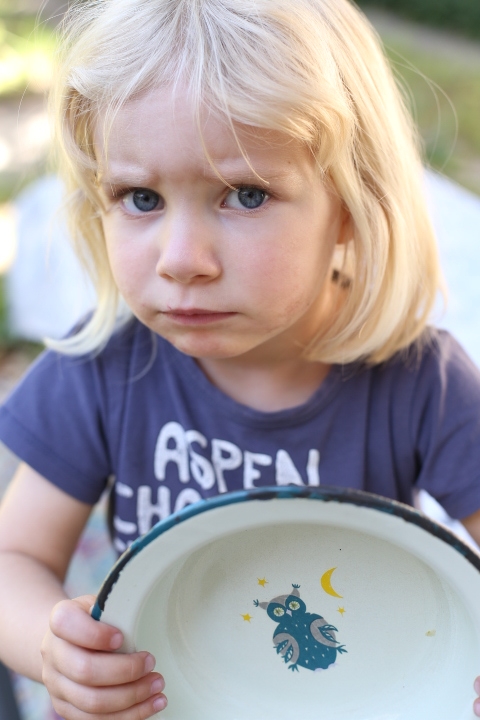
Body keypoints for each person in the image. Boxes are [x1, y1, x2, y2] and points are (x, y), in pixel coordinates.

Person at [0, 0, 480, 717]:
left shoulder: (422, 383)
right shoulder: (102, 369)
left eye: (245, 195)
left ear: (350, 206)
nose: (182, 259)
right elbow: (15, 561)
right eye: (140, 197)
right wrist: (54, 646)